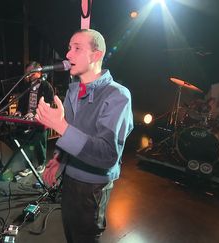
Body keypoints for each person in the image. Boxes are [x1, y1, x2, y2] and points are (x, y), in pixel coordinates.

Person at [35, 29, 134, 242]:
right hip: (70, 178)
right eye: (69, 48)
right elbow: (73, 131)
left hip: (93, 186)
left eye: (77, 48)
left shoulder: (117, 95)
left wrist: (60, 126)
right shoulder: (73, 90)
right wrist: (58, 160)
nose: (68, 55)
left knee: (84, 237)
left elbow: (107, 155)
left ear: (96, 55)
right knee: (71, 233)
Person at [14, 61, 54, 176]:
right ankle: (28, 166)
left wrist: (35, 112)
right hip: (27, 119)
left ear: (38, 71)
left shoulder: (46, 86)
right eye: (27, 73)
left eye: (30, 72)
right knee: (27, 143)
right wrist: (19, 111)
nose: (28, 74)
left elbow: (48, 103)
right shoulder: (27, 86)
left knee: (39, 142)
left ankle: (41, 163)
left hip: (40, 118)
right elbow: (21, 102)